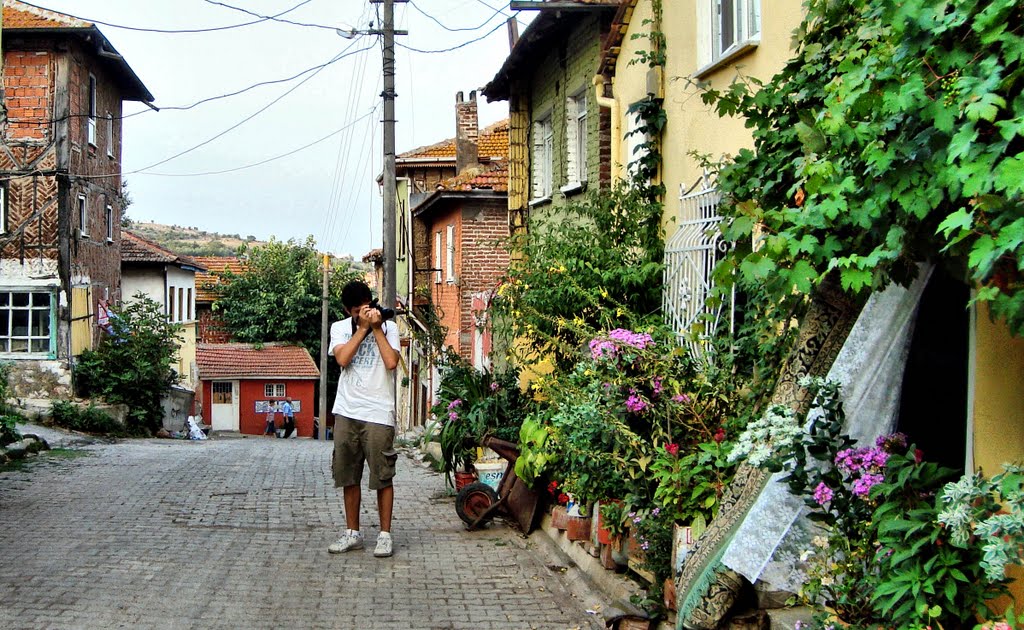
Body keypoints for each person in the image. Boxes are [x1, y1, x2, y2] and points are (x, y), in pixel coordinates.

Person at [327, 280, 400, 559]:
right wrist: (361, 329)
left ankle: (384, 535)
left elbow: (391, 362)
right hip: (347, 410)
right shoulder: (340, 328)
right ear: (348, 310)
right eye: (357, 310)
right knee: (348, 475)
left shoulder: (389, 328)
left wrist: (377, 328)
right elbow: (343, 359)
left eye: (366, 307)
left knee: (382, 474)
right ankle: (352, 533)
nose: (363, 313)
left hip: (379, 412)